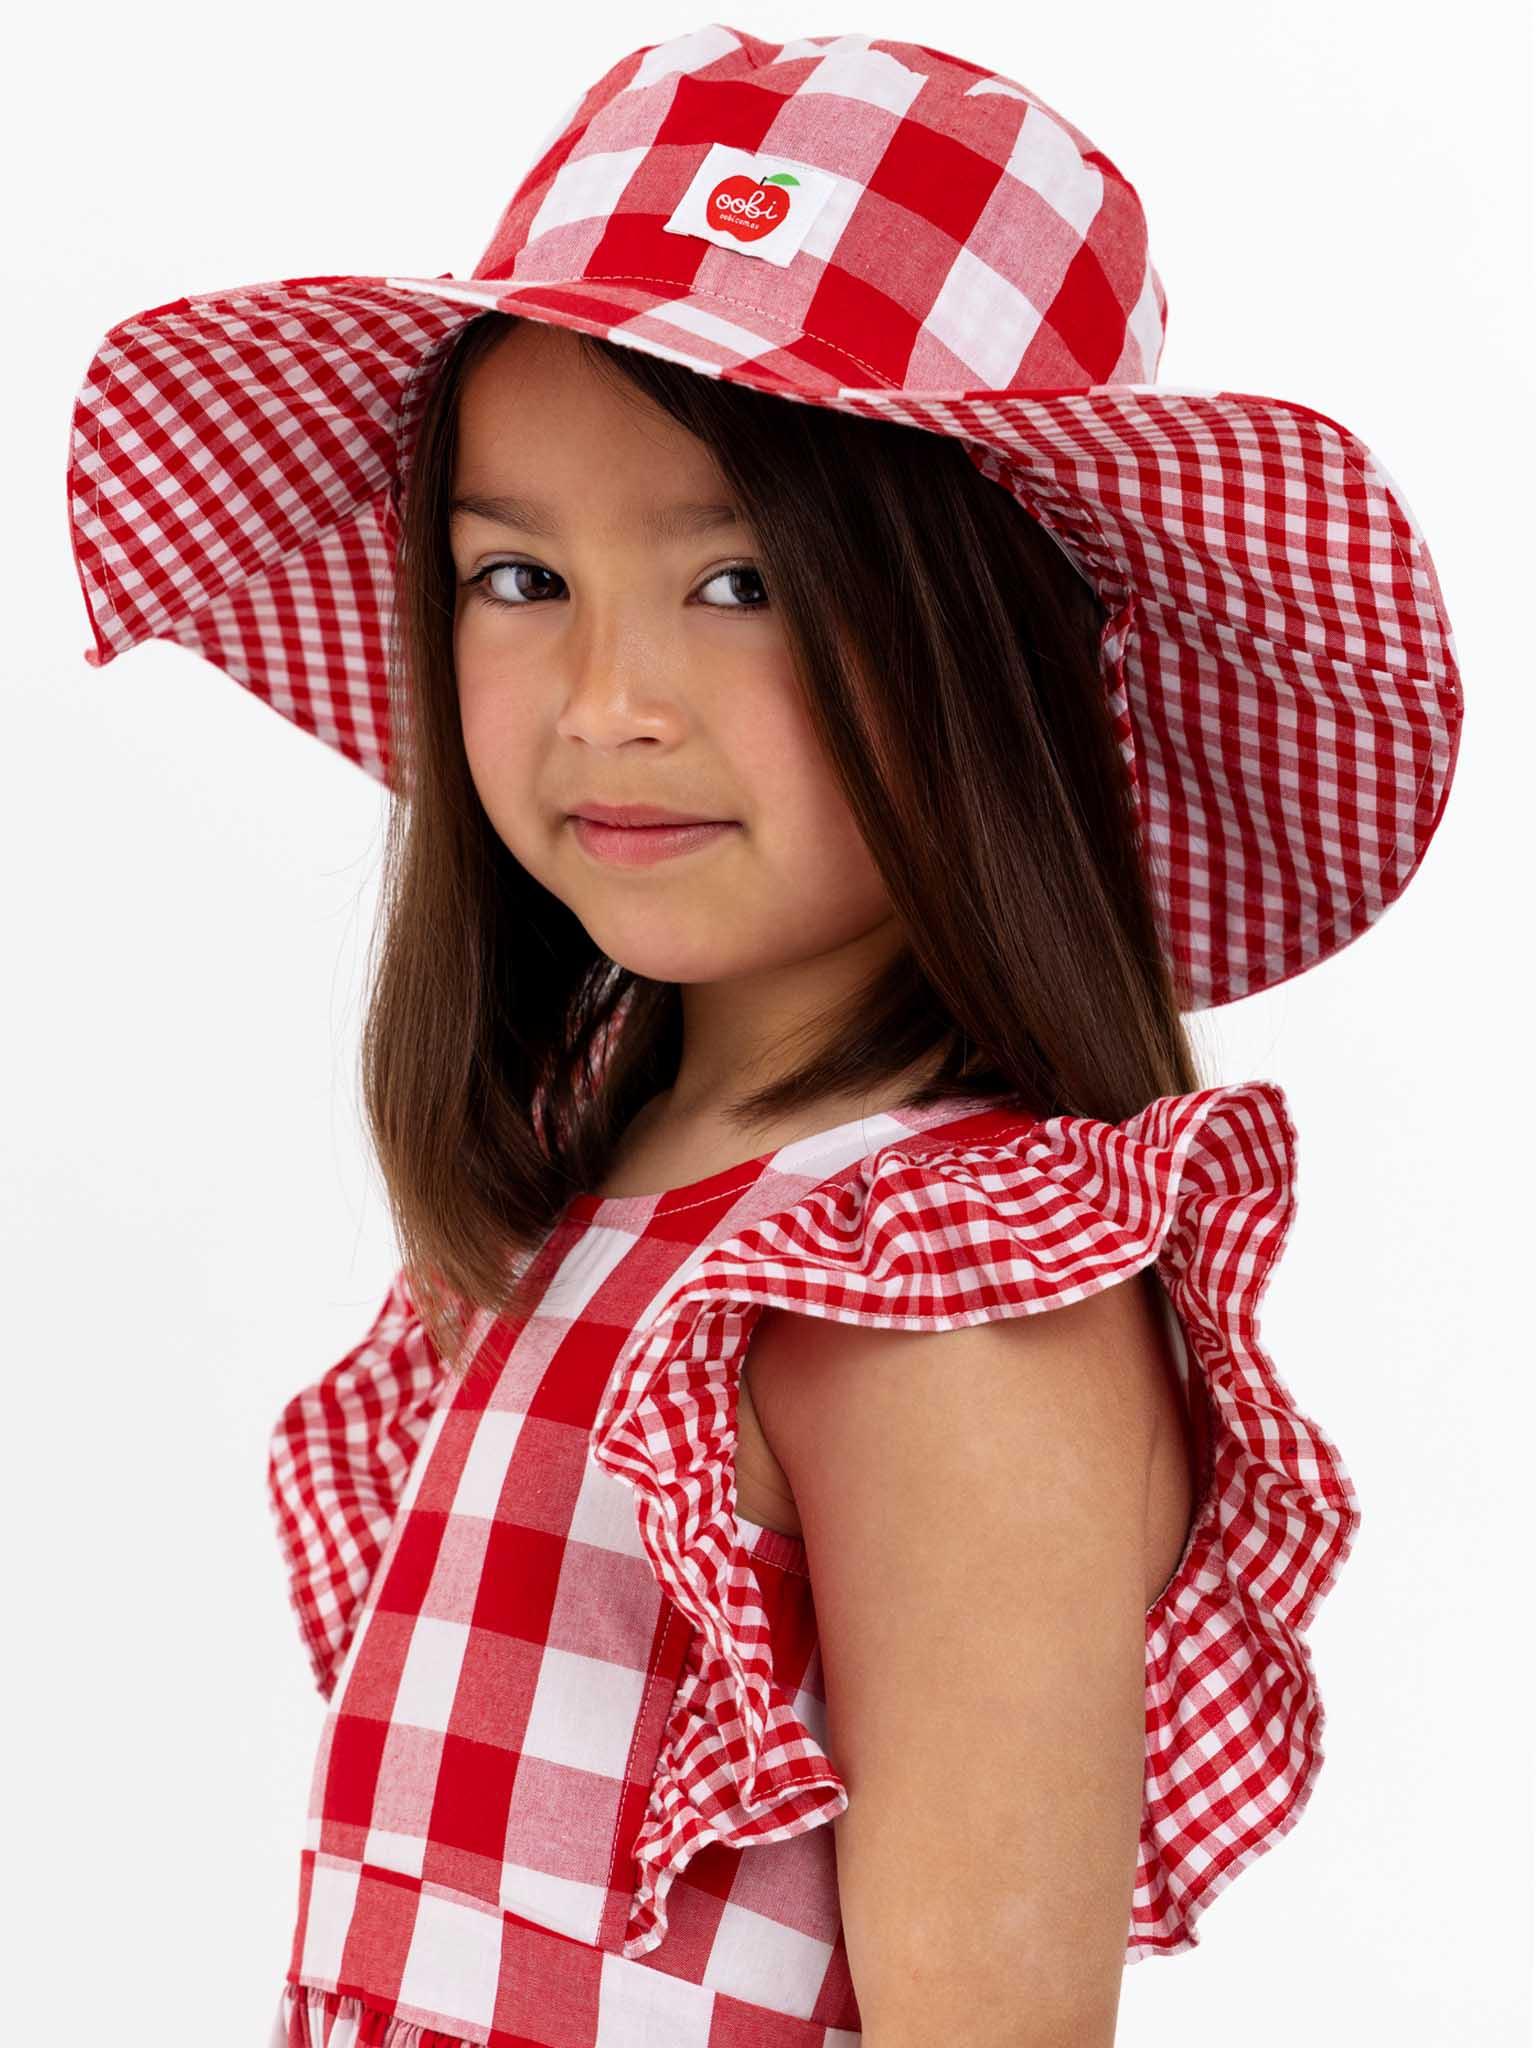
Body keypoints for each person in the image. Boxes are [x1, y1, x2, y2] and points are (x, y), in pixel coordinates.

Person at [65, 25, 1462, 2048]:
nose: (607, 697)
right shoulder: (605, 1166)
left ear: (991, 651)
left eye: (740, 581)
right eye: (519, 574)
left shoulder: (945, 1304)